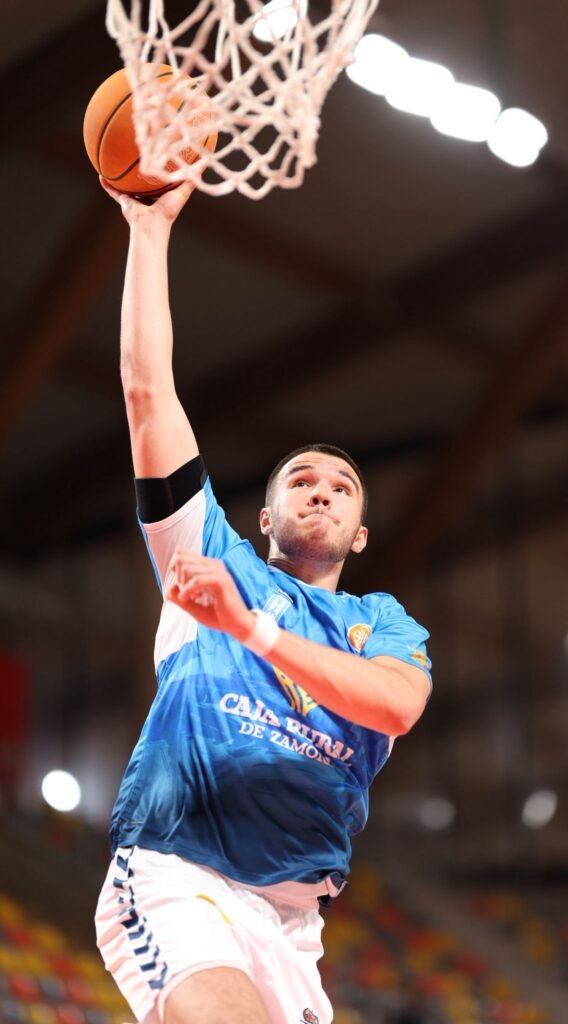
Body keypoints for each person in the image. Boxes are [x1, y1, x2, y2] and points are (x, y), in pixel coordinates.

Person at [94, 179, 432, 1024]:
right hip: (179, 872)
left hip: (292, 922)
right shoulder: (211, 556)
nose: (322, 490)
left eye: (342, 487)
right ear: (265, 517)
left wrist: (253, 632)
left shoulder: (382, 623)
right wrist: (147, 229)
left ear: (359, 533)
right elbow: (147, 392)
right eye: (302, 480)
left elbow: (396, 706)